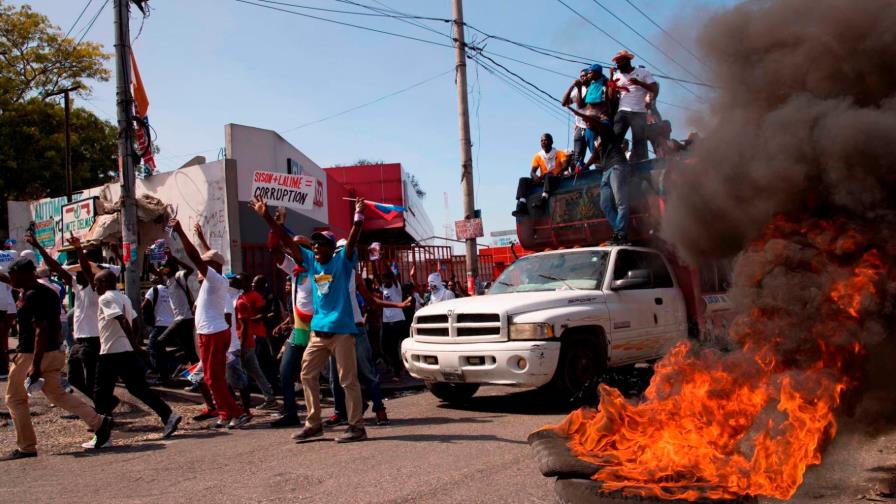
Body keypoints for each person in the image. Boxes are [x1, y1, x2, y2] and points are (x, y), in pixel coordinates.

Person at [250, 196, 368, 443]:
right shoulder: (312, 264)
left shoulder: (342, 263)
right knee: (307, 375)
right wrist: (266, 217)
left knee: (348, 381)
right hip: (317, 333)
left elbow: (354, 239)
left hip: (342, 333)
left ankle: (356, 426)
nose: (315, 247)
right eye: (313, 244)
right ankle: (314, 424)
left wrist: (358, 217)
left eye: (320, 244)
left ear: (330, 247)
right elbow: (284, 242)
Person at [2, 257, 113, 459]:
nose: (10, 279)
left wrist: (34, 365)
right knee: (56, 394)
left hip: (34, 354)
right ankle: (99, 422)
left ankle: (26, 447)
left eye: (13, 275)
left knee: (15, 399)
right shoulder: (45, 291)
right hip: (55, 353)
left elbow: (40, 331)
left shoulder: (32, 295)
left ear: (24, 274)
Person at [168, 218, 249, 429]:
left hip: (214, 333)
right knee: (212, 379)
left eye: (204, 265)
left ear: (211, 267)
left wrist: (181, 232)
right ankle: (225, 414)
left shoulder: (216, 279)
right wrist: (202, 239)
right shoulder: (210, 281)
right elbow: (208, 257)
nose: (198, 270)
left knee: (214, 379)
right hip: (207, 333)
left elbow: (197, 258)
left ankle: (237, 413)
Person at [92, 268, 182, 442]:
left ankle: (102, 436)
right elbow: (134, 320)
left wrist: (137, 346)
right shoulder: (123, 297)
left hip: (111, 352)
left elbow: (123, 320)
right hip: (125, 350)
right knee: (138, 388)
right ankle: (168, 415)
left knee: (101, 394)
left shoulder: (106, 298)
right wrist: (135, 344)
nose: (95, 287)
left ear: (103, 283)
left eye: (96, 284)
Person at [25, 233, 105, 403]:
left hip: (93, 339)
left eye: (81, 271)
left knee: (91, 379)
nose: (76, 274)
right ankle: (106, 402)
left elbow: (85, 268)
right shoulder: (78, 286)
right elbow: (56, 268)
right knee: (74, 377)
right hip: (79, 340)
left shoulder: (94, 287)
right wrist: (38, 246)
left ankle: (101, 413)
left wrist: (78, 249)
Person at [325, 269, 407, 427]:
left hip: (356, 329)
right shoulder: (326, 274)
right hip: (334, 331)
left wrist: (398, 305)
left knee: (367, 372)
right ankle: (340, 412)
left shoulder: (352, 275)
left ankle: (380, 411)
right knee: (335, 376)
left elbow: (371, 300)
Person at [570, 105, 632, 244]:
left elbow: (596, 121)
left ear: (595, 119)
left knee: (620, 202)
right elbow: (595, 154)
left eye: (588, 121)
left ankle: (621, 234)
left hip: (617, 166)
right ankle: (620, 233)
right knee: (605, 204)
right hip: (606, 170)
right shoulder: (598, 137)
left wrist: (577, 112)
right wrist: (584, 167)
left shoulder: (604, 126)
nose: (586, 124)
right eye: (585, 122)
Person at [235, 273, 278, 411]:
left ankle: (245, 401)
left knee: (244, 369)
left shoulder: (254, 296)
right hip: (246, 336)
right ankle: (268, 397)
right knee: (253, 370)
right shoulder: (240, 297)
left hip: (255, 335)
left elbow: (263, 313)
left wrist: (250, 320)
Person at [609, 50, 658, 163]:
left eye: (619, 62)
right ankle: (615, 161)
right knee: (615, 137)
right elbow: (611, 97)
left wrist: (639, 83)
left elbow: (654, 88)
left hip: (639, 112)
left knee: (639, 141)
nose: (617, 65)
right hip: (623, 111)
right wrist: (611, 78)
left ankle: (639, 164)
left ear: (627, 61)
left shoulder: (643, 72)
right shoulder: (617, 76)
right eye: (616, 62)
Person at [513, 133, 571, 217]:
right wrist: (535, 176)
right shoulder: (537, 156)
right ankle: (522, 204)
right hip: (544, 179)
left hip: (554, 178)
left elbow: (565, 166)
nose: (543, 142)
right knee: (523, 180)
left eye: (545, 140)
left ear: (551, 142)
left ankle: (543, 200)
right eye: (541, 141)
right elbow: (532, 172)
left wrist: (558, 173)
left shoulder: (560, 153)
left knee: (548, 175)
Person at [142, 273, 175, 382]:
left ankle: (159, 373)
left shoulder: (154, 290)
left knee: (153, 348)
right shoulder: (172, 290)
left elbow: (145, 305)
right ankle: (163, 374)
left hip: (159, 324)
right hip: (172, 325)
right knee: (160, 350)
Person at [378, 269, 406, 381]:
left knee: (394, 347)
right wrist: (375, 260)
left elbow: (392, 275)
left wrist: (385, 261)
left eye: (386, 279)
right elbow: (376, 275)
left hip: (397, 320)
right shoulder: (384, 287)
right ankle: (398, 365)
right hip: (386, 321)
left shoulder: (396, 287)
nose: (384, 282)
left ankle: (397, 373)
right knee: (384, 346)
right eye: (383, 280)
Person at [561, 68, 592, 169]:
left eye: (585, 75)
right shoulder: (579, 89)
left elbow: (581, 105)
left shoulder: (594, 87)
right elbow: (564, 103)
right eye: (581, 76)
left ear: (590, 76)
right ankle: (579, 174)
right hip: (580, 127)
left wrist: (578, 88)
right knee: (577, 157)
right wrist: (572, 86)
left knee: (595, 152)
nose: (583, 78)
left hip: (592, 126)